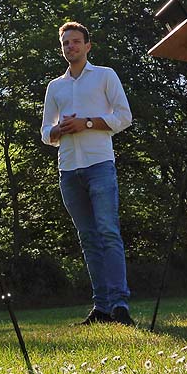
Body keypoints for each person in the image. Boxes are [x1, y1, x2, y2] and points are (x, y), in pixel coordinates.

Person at [40, 22, 136, 326]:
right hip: (68, 169)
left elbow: (124, 117)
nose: (71, 47)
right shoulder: (55, 87)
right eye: (66, 43)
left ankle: (120, 305)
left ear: (88, 46)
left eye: (76, 42)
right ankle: (102, 307)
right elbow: (45, 132)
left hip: (99, 165)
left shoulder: (106, 76)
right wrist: (58, 129)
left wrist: (88, 123)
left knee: (108, 232)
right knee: (88, 238)